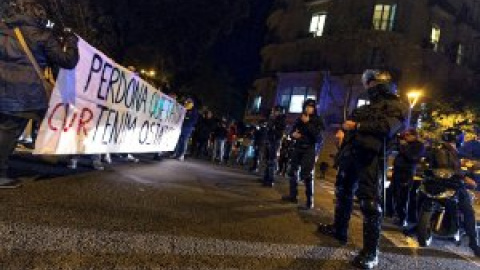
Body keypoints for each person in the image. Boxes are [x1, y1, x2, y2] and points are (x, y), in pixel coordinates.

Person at [317, 70, 408, 269]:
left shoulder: (398, 106)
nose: (369, 87)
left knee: (369, 202)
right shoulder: (367, 106)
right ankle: (339, 229)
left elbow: (386, 127)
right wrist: (345, 133)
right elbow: (350, 123)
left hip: (372, 157)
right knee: (342, 191)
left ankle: (370, 252)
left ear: (381, 84)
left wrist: (357, 125)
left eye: (372, 83)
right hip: (351, 153)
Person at [0, 0, 79, 188]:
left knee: (5, 130)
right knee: (9, 133)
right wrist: (72, 42)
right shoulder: (43, 36)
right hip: (24, 94)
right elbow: (67, 61)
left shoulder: (3, 29)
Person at [426, 128, 480, 257]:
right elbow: (449, 169)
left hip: (435, 184)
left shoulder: (440, 149)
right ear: (458, 139)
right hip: (452, 185)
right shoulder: (448, 151)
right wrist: (465, 177)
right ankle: (473, 243)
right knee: (468, 211)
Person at [282, 99, 325, 210]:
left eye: (311, 106)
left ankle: (309, 202)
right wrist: (293, 134)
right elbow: (292, 131)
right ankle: (293, 196)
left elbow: (318, 137)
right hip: (298, 147)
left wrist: (308, 123)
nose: (308, 108)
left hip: (309, 149)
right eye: (307, 106)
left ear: (314, 108)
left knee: (307, 175)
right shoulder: (300, 118)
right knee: (292, 171)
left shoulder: (318, 120)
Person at [391, 129, 425, 228]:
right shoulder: (405, 145)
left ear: (414, 136)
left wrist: (403, 147)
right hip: (397, 172)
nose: (405, 137)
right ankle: (396, 214)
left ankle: (403, 218)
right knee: (395, 194)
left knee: (404, 195)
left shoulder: (419, 146)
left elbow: (412, 157)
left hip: (406, 173)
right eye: (405, 135)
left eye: (407, 135)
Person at [262, 106, 286, 187]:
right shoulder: (272, 119)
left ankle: (270, 180)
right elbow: (268, 128)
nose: (272, 112)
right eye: (272, 111)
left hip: (275, 141)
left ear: (278, 111)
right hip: (270, 140)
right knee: (267, 160)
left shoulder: (281, 119)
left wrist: (272, 122)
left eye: (274, 111)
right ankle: (266, 178)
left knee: (272, 161)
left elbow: (278, 131)